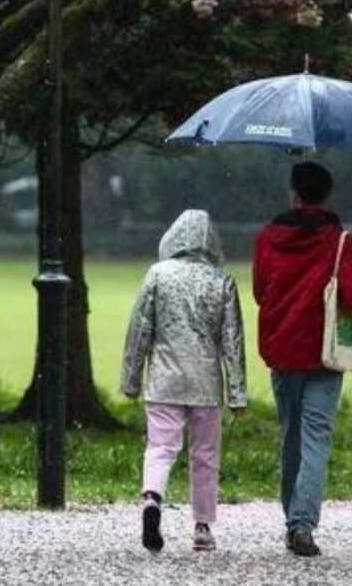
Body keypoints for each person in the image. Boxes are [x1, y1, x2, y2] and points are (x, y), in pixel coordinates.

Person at [252, 161, 352, 558]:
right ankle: (302, 524)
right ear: (327, 195)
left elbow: (259, 291)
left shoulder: (268, 237)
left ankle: (293, 518)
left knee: (291, 437)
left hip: (282, 350)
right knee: (316, 437)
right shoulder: (340, 241)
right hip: (324, 353)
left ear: (293, 193)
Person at [121, 209, 247, 553]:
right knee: (205, 455)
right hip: (206, 384)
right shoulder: (222, 281)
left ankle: (151, 499)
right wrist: (236, 393)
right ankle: (203, 526)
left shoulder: (157, 275)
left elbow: (140, 331)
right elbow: (232, 341)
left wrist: (131, 379)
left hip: (164, 380)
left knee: (161, 447)